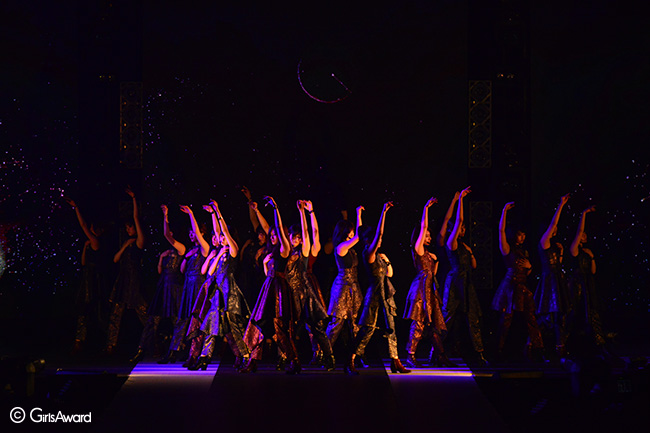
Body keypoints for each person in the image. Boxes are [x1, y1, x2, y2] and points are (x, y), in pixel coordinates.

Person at [348, 201, 410, 374]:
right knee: (367, 329)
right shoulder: (368, 254)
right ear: (369, 240)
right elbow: (378, 233)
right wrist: (384, 212)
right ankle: (350, 359)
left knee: (392, 328)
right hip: (374, 295)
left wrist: (387, 260)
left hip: (386, 294)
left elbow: (390, 274)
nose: (380, 240)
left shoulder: (379, 255)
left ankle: (395, 360)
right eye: (376, 239)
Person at [192, 201, 250, 371]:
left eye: (224, 237)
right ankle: (204, 358)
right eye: (221, 237)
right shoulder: (220, 252)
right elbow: (210, 272)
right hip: (218, 295)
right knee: (211, 325)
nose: (221, 238)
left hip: (230, 294)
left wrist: (217, 211)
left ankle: (245, 356)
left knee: (234, 328)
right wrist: (216, 256)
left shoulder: (233, 250)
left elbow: (222, 230)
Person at [403, 197, 453, 368]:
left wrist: (436, 261)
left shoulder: (430, 255)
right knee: (418, 322)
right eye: (427, 235)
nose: (429, 237)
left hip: (430, 289)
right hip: (420, 290)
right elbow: (423, 226)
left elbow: (434, 274)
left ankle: (440, 356)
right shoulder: (418, 249)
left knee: (433, 326)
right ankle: (410, 355)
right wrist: (426, 208)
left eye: (430, 236)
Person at [491, 202, 544, 361]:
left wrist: (530, 266)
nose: (523, 237)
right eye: (520, 234)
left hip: (522, 287)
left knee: (531, 318)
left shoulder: (524, 251)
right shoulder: (507, 249)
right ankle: (498, 351)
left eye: (524, 235)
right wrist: (504, 211)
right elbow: (500, 231)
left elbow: (527, 272)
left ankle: (537, 349)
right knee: (506, 320)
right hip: (510, 288)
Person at [442, 187, 487, 365]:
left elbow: (474, 266)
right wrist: (460, 199)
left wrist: (471, 252)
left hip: (467, 282)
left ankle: (480, 353)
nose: (463, 229)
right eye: (460, 228)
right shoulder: (451, 242)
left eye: (464, 228)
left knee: (473, 318)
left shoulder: (464, 246)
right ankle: (435, 351)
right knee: (447, 318)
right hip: (455, 282)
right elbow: (459, 220)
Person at [64, 196, 110, 354]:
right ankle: (80, 341)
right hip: (87, 278)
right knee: (83, 311)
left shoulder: (96, 241)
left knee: (95, 311)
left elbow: (83, 225)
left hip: (94, 280)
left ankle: (104, 342)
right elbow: (83, 262)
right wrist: (84, 247)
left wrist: (76, 208)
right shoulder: (90, 243)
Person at [105, 187, 147, 356]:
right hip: (122, 282)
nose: (128, 229)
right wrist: (124, 246)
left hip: (134, 282)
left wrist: (134, 199)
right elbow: (115, 259)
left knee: (144, 314)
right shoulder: (127, 243)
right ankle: (110, 344)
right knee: (115, 315)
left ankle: (154, 343)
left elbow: (136, 218)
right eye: (127, 228)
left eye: (130, 227)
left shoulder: (139, 243)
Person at [173, 204, 210, 368]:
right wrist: (186, 257)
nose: (191, 235)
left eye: (194, 233)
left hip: (198, 287)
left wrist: (191, 214)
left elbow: (197, 233)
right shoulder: (191, 250)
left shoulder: (204, 248)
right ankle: (179, 351)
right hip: (188, 286)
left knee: (197, 320)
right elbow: (182, 270)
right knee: (185, 319)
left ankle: (196, 354)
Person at [326, 206, 365, 361]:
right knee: (337, 323)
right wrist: (358, 214)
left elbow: (358, 236)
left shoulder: (350, 249)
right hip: (342, 288)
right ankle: (325, 354)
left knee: (356, 323)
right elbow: (359, 236)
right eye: (350, 231)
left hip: (354, 287)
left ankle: (357, 356)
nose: (352, 233)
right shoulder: (341, 247)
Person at [535, 194, 571, 358]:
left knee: (559, 315)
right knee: (548, 315)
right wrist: (561, 204)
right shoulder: (544, 242)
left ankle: (559, 346)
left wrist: (561, 252)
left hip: (557, 280)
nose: (555, 229)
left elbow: (558, 264)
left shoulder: (554, 245)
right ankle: (534, 344)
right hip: (549, 281)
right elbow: (554, 224)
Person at [152, 205, 186, 363]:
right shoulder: (167, 252)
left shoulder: (181, 249)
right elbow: (160, 271)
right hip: (165, 287)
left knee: (178, 319)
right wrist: (160, 258)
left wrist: (165, 215)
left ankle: (177, 350)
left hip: (176, 288)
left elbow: (166, 234)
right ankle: (174, 348)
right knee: (168, 319)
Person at [568, 205, 605, 348]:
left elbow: (593, 271)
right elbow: (579, 231)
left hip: (589, 283)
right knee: (577, 311)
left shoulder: (588, 251)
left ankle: (596, 341)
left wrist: (592, 257)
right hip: (577, 284)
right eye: (582, 235)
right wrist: (585, 213)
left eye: (585, 235)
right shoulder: (574, 250)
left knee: (592, 311)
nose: (584, 235)